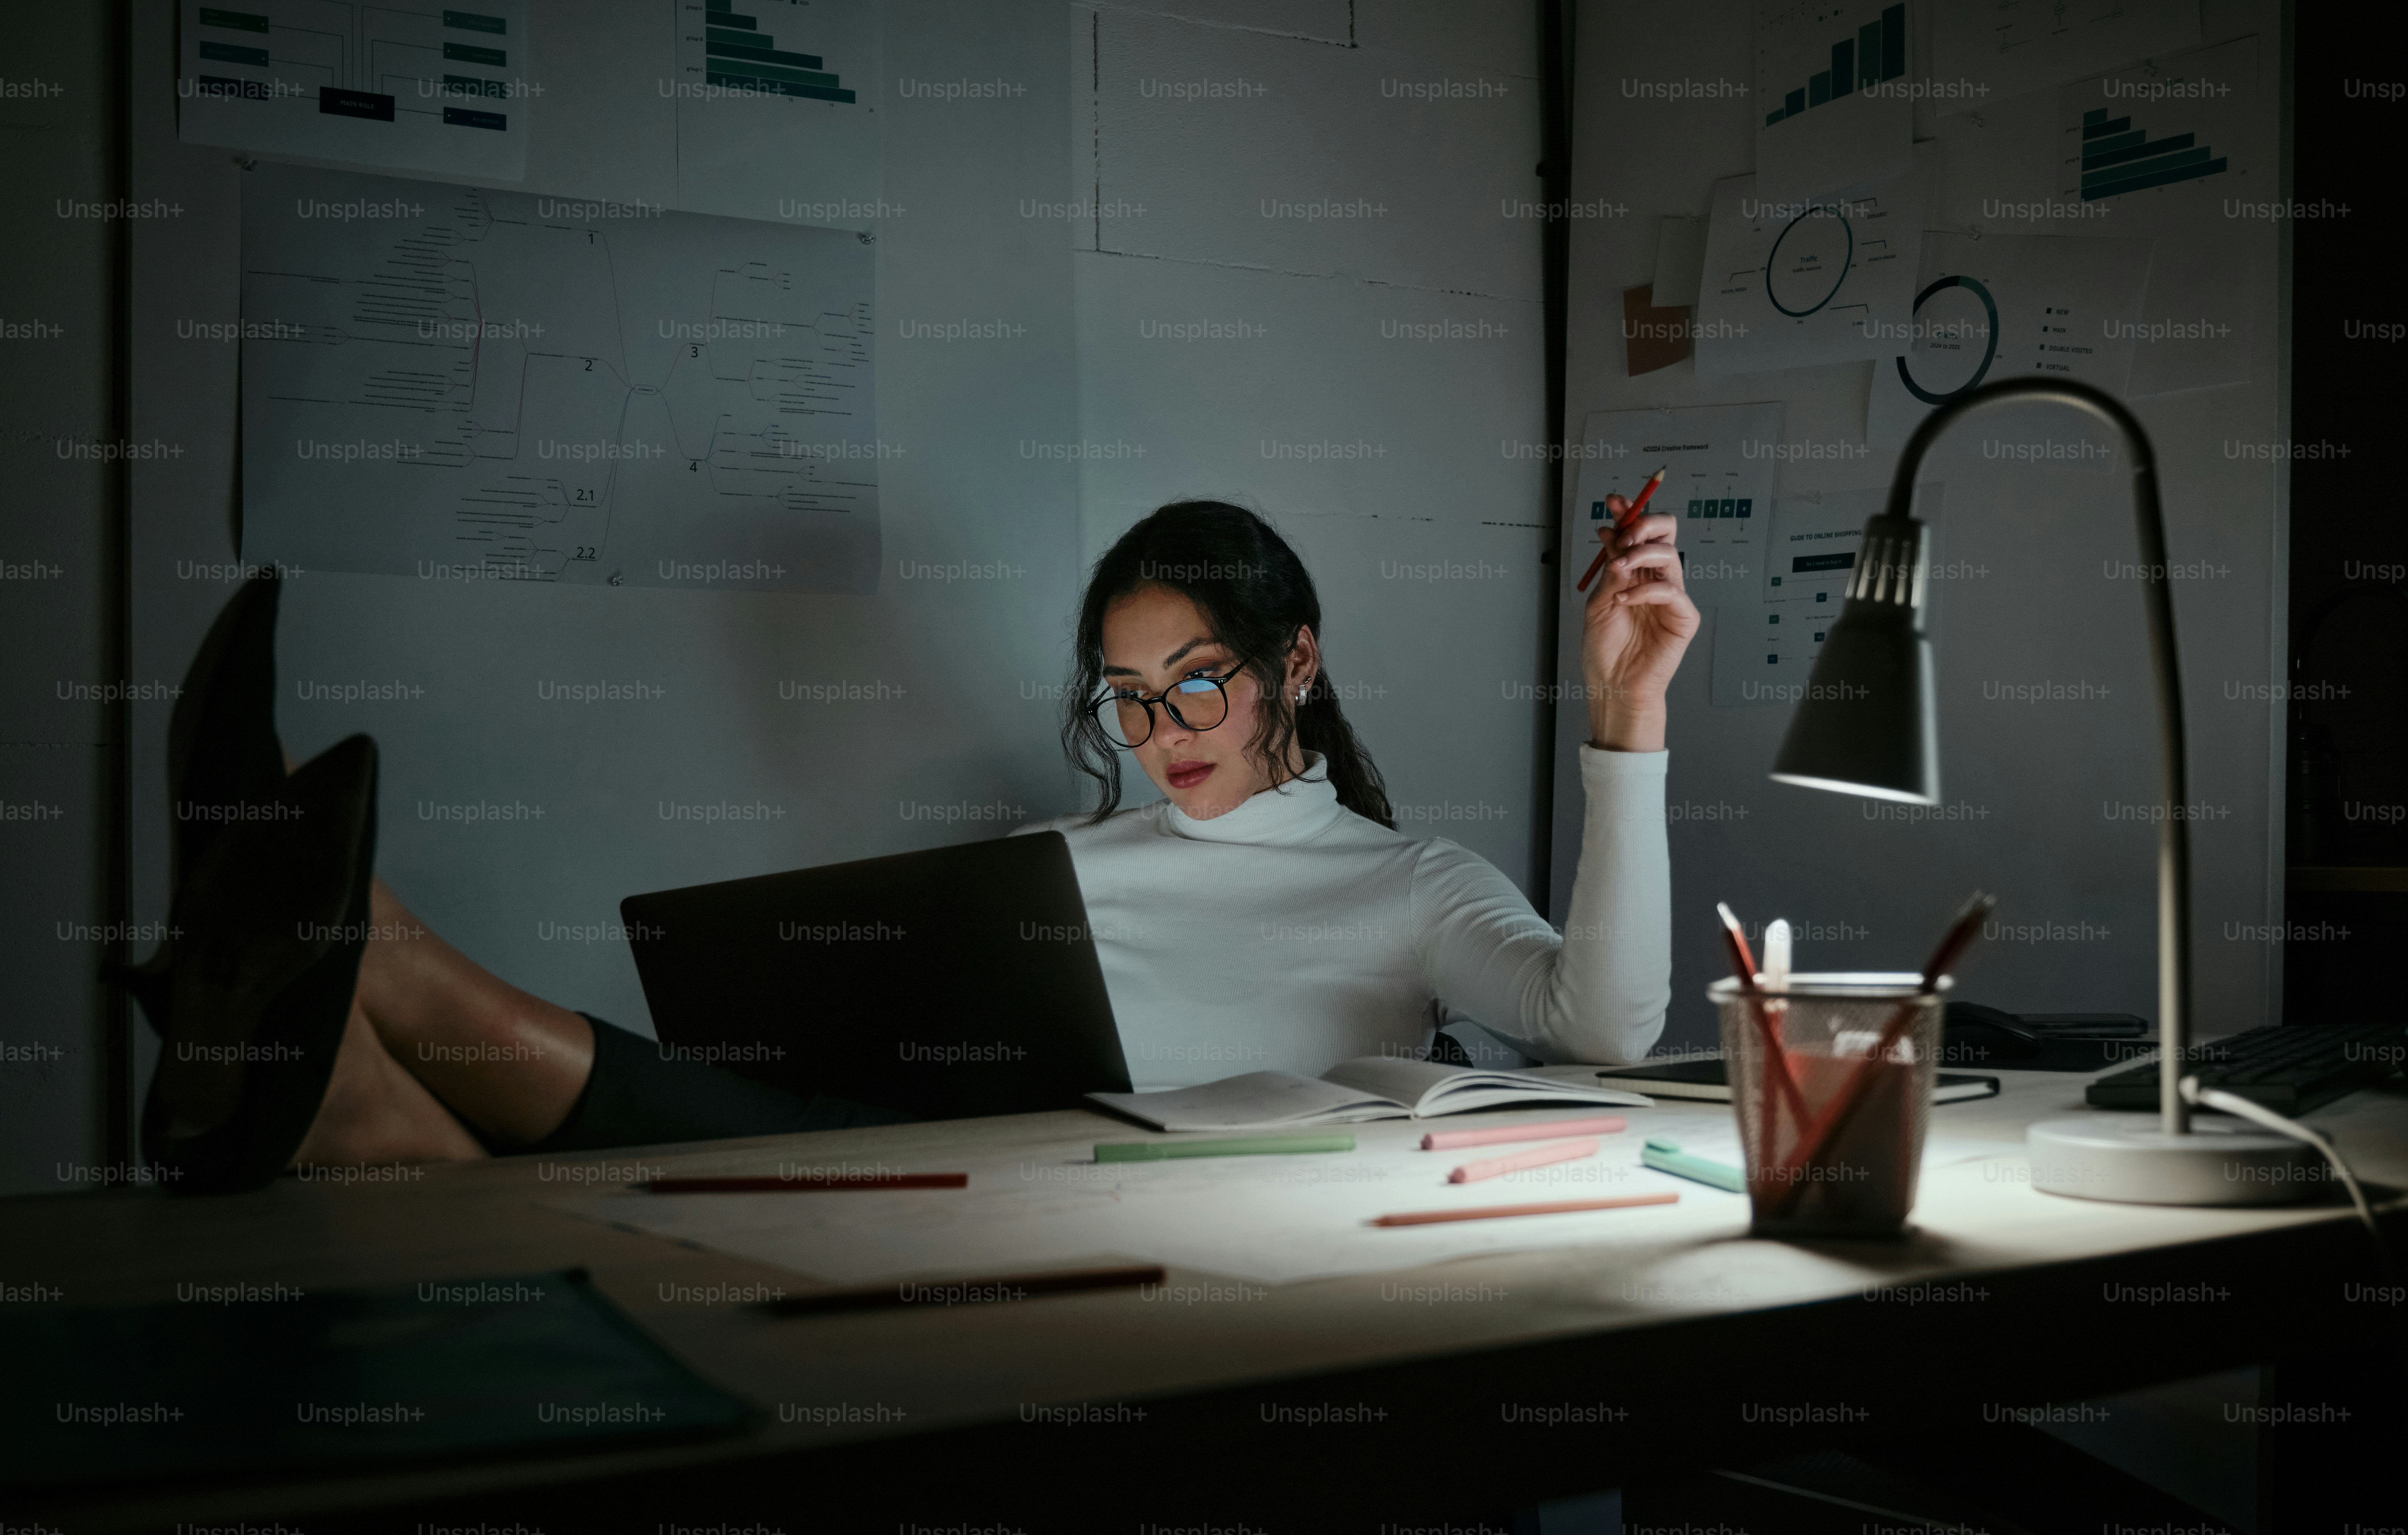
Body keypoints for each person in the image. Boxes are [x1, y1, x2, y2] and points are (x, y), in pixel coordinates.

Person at [130, 496, 1697, 1192]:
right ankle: (331, 1053)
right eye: (1129, 698)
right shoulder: (1048, 861)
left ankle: (310, 949)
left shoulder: (1400, 878)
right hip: (871, 1116)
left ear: (1293, 661)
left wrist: (1623, 718)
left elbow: (1608, 1024)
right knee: (730, 1109)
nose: (1165, 731)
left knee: (704, 1123)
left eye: (1200, 680)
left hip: (1019, 1177)